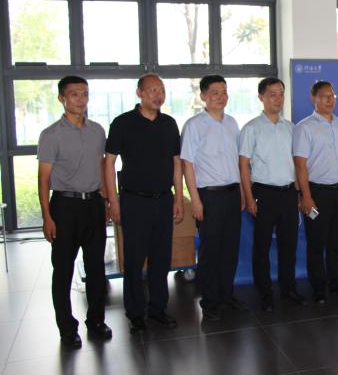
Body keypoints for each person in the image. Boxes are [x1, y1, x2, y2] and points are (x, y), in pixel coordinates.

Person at [105, 74, 184, 333]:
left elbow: (176, 163)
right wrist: (113, 201)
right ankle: (136, 313)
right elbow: (109, 163)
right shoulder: (123, 123)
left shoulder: (169, 124)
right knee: (134, 259)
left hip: (163, 199)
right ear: (139, 93)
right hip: (134, 201)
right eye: (152, 90)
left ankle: (158, 309)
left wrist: (178, 197)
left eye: (161, 90)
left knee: (161, 258)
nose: (158, 95)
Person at [37, 76, 111, 348]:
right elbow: (43, 179)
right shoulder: (51, 135)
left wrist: (106, 201)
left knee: (96, 268)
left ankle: (96, 320)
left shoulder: (97, 131)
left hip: (93, 204)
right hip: (65, 207)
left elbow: (102, 167)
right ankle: (67, 327)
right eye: (74, 94)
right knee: (63, 269)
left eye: (85, 94)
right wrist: (47, 217)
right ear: (62, 99)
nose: (81, 100)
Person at [181, 75, 246, 321]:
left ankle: (226, 295)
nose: (221, 97)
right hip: (209, 196)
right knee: (210, 251)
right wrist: (195, 200)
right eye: (215, 92)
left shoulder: (232, 123)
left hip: (232, 193)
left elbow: (236, 161)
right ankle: (209, 301)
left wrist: (241, 192)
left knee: (230, 248)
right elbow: (187, 165)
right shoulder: (194, 125)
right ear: (203, 96)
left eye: (224, 92)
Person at [239, 77, 305, 312]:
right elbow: (243, 165)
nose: (278, 99)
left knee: (289, 246)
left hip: (288, 193)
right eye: (273, 94)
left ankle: (288, 289)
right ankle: (265, 293)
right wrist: (248, 197)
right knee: (262, 247)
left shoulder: (291, 128)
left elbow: (297, 163)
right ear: (262, 97)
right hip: (263, 194)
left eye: (281, 94)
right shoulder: (251, 128)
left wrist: (299, 193)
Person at [293, 80, 338, 303]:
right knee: (317, 242)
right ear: (314, 98)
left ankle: (337, 283)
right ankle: (319, 287)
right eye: (324, 96)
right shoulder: (304, 127)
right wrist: (306, 196)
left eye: (332, 96)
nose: (330, 100)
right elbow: (300, 165)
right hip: (316, 194)